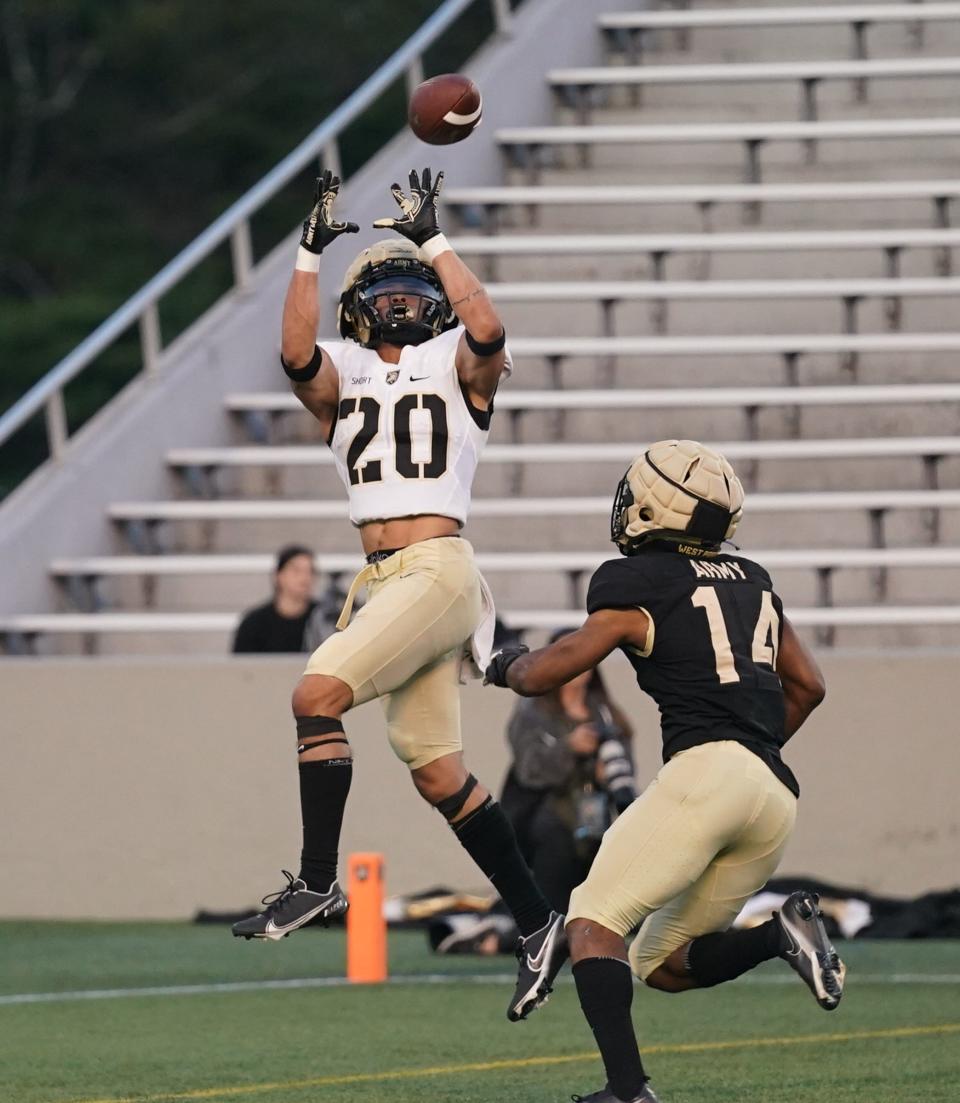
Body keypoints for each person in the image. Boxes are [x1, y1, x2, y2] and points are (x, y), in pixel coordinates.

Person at [231, 168, 566, 1023]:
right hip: (383, 580)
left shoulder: (456, 367)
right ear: (357, 310)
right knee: (438, 773)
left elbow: (488, 327)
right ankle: (538, 922)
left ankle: (315, 881)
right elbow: (296, 354)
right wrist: (308, 252)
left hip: (435, 567)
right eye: (389, 291)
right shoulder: (340, 370)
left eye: (419, 290)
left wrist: (436, 242)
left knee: (314, 694)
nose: (407, 300)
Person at [485, 440, 845, 1103]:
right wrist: (749, 752)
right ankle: (780, 932)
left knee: (592, 920)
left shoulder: (639, 581)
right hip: (772, 794)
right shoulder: (755, 580)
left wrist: (501, 661)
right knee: (661, 964)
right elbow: (810, 685)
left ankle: (627, 1091)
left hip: (709, 772)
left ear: (658, 506)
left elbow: (550, 667)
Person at [501, 629, 635, 915]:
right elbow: (528, 771)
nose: (577, 666)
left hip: (600, 823)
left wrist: (604, 776)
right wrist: (569, 748)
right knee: (554, 906)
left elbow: (623, 772)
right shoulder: (533, 711)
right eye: (567, 656)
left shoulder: (608, 714)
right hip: (548, 822)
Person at [232, 545, 331, 654]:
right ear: (278, 576)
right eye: (296, 571)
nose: (305, 577)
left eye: (310, 571)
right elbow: (240, 666)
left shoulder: (324, 618)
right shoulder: (253, 624)